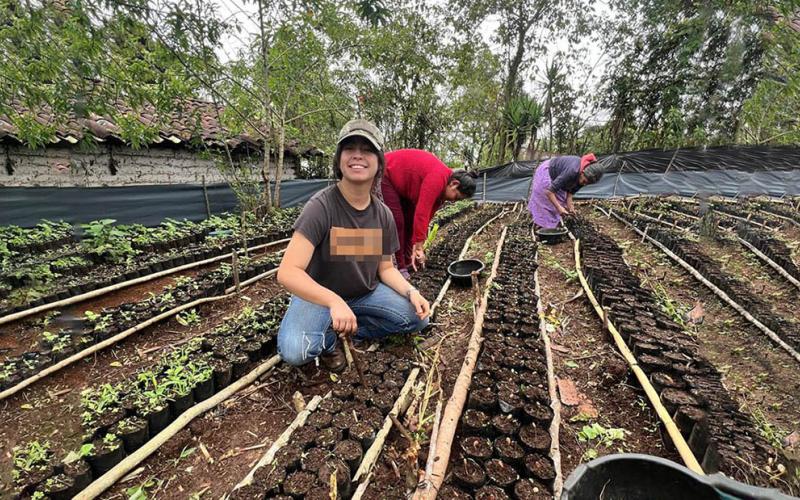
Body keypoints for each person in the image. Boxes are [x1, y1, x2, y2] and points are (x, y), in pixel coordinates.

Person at [276, 119, 431, 372]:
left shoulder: (383, 215)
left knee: (418, 319)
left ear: (380, 163)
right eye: (350, 148)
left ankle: (349, 329)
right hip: (320, 296)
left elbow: (386, 270)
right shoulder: (321, 207)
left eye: (367, 149)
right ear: (339, 160)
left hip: (365, 293)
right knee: (296, 350)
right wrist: (333, 301)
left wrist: (411, 292)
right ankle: (328, 341)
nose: (358, 155)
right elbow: (287, 272)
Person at [382, 149, 478, 277]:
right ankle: (400, 266)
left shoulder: (443, 192)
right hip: (386, 173)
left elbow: (426, 217)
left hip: (404, 186)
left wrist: (418, 244)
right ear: (454, 184)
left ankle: (408, 260)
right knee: (397, 222)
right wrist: (420, 246)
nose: (455, 202)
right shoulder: (438, 177)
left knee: (410, 221)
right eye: (457, 197)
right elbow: (422, 211)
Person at [528, 153, 604, 228]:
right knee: (546, 203)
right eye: (584, 181)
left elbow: (570, 193)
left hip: (559, 177)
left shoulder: (584, 176)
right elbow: (549, 191)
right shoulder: (573, 170)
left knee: (560, 201)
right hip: (547, 172)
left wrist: (570, 207)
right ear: (582, 172)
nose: (584, 184)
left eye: (587, 183)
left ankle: (548, 224)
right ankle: (542, 226)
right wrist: (559, 208)